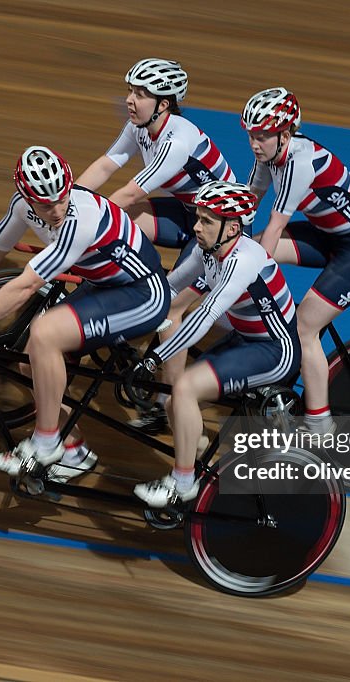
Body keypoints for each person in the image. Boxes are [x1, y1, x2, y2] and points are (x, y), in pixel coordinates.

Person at [0, 146, 170, 482]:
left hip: (143, 293)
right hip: (105, 285)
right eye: (45, 203)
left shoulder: (79, 217)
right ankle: (73, 449)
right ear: (26, 197)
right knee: (31, 358)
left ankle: (45, 442)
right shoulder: (22, 207)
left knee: (44, 334)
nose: (55, 210)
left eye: (61, 197)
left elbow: (26, 286)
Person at [76, 58, 237, 436]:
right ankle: (124, 301)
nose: (130, 100)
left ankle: (169, 403)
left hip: (216, 229)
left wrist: (85, 225)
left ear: (164, 104)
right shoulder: (141, 125)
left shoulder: (177, 140)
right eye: (131, 90)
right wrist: (73, 203)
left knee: (170, 308)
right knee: (125, 235)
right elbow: (106, 163)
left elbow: (132, 191)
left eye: (141, 94)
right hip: (188, 210)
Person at [130, 181, 301, 507]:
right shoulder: (206, 250)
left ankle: (182, 484)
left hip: (275, 350)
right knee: (172, 404)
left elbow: (206, 314)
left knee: (185, 390)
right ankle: (197, 461)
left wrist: (153, 358)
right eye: (198, 217)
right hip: (245, 339)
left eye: (207, 220)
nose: (196, 226)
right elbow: (168, 288)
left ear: (232, 228)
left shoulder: (244, 260)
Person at [241, 87, 350, 436]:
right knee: (247, 251)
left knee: (305, 325)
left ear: (286, 132)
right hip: (326, 235)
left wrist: (243, 276)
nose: (254, 143)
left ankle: (319, 424)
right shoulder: (270, 155)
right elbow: (247, 206)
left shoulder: (300, 162)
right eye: (250, 134)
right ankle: (271, 358)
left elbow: (276, 226)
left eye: (262, 135)